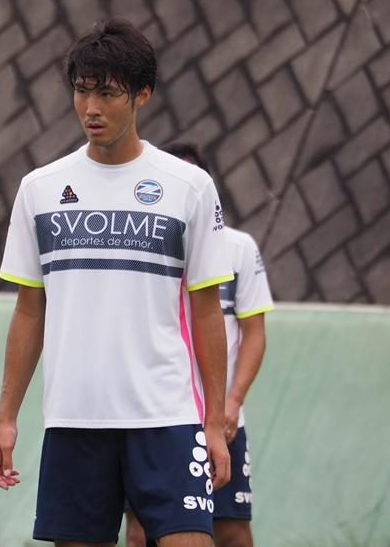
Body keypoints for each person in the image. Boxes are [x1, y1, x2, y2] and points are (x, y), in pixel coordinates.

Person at [0, 17, 234, 547]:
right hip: (74, 419)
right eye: (82, 91)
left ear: (142, 94)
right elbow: (29, 310)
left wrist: (214, 422)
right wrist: (7, 418)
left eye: (107, 93)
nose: (91, 108)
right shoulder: (39, 189)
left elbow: (207, 309)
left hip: (167, 418)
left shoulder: (189, 187)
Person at [123, 142, 274, 547]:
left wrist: (231, 401)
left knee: (231, 532)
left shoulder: (238, 249)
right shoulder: (135, 242)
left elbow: (255, 333)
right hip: (152, 416)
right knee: (139, 533)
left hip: (218, 419)